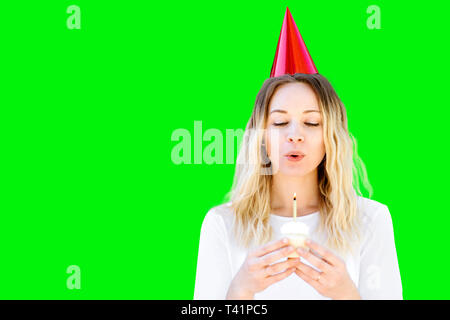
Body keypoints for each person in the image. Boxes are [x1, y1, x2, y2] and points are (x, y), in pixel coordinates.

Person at [193, 7, 402, 300]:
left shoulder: (370, 220)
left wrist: (346, 294)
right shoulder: (222, 224)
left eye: (311, 122)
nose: (295, 134)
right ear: (262, 136)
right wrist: (241, 289)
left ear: (330, 136)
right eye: (279, 122)